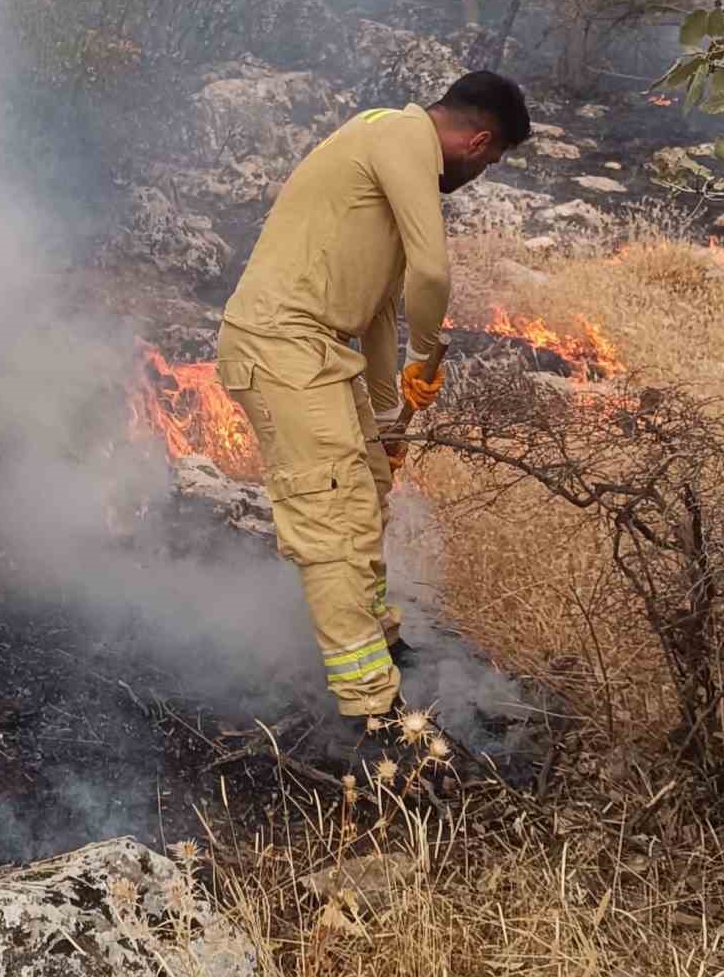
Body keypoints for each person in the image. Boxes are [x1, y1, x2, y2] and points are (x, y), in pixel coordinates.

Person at [216, 71, 530, 737]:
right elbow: (431, 272)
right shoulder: (400, 137)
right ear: (479, 142)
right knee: (332, 520)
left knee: (367, 494)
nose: (481, 172)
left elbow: (379, 308)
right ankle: (372, 713)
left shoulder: (390, 157)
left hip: (318, 349)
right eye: (492, 161)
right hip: (279, 343)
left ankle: (384, 646)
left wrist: (390, 419)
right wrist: (427, 353)